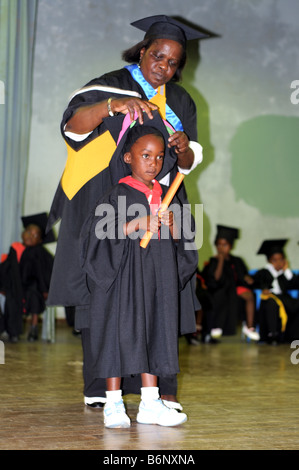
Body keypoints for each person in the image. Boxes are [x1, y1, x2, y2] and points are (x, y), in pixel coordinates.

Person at [46, 15, 209, 410]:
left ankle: (162, 390)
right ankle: (104, 388)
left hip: (159, 201)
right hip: (110, 202)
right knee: (106, 288)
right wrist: (110, 106)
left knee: (163, 290)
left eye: (173, 62)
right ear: (142, 50)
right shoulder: (110, 84)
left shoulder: (181, 101)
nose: (164, 68)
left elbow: (187, 161)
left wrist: (183, 146)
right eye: (158, 56)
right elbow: (73, 127)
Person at [80, 122, 197, 428]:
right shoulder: (116, 193)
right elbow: (95, 236)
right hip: (122, 281)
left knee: (155, 333)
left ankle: (150, 402)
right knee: (117, 335)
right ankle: (114, 403)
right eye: (145, 155)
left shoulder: (167, 195)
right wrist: (134, 225)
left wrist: (174, 226)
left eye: (159, 157)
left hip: (157, 282)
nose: (153, 163)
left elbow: (185, 242)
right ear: (128, 157)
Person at [0, 213, 54, 342]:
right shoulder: (15, 248)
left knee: (34, 295)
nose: (30, 236)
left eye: (35, 235)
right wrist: (3, 285)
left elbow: (44, 272)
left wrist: (45, 289)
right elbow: (6, 268)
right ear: (22, 234)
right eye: (29, 232)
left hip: (34, 286)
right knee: (11, 298)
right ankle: (13, 332)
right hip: (15, 286)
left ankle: (34, 327)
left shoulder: (39, 252)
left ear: (40, 240)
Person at [201, 225, 260, 341]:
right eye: (219, 245)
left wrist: (247, 278)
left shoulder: (237, 261)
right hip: (219, 290)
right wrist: (221, 260)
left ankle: (249, 327)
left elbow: (243, 276)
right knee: (219, 296)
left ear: (231, 246)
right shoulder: (213, 261)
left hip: (235, 290)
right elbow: (216, 279)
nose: (221, 248)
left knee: (249, 295)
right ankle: (216, 325)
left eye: (225, 245)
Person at [253, 239, 299, 344]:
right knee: (271, 304)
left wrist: (286, 270)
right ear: (269, 261)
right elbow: (257, 282)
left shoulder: (284, 274)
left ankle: (293, 336)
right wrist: (264, 288)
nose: (278, 263)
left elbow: (294, 283)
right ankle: (272, 335)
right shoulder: (263, 272)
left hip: (284, 298)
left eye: (281, 259)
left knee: (296, 304)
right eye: (275, 260)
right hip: (270, 298)